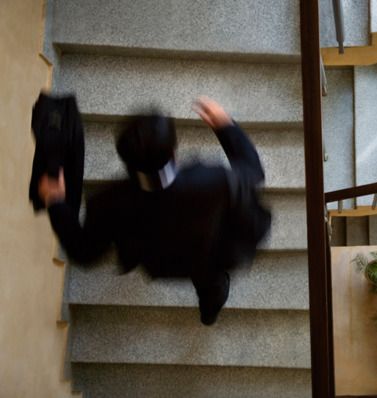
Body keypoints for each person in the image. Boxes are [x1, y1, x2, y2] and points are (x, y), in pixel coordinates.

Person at [38, 97, 271, 326]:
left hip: (161, 263)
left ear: (125, 160)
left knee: (205, 276)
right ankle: (209, 312)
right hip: (208, 255)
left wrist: (56, 202)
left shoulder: (107, 203)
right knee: (212, 284)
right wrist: (225, 126)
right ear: (173, 152)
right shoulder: (214, 180)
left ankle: (211, 304)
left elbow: (83, 252)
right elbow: (252, 171)